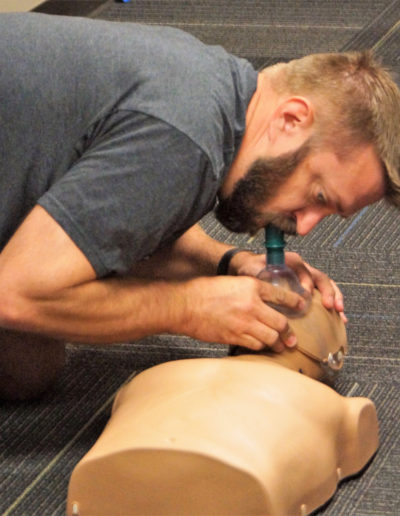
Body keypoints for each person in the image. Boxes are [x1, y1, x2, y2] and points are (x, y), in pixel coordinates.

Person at [0, 13, 399, 400]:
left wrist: (228, 264)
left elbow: (129, 220)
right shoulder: (185, 138)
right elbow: (13, 294)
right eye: (318, 196)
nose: (307, 226)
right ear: (291, 119)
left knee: (30, 366)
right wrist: (189, 307)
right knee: (29, 355)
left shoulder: (215, 89)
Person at [66, 291, 379, 516]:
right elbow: (360, 428)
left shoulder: (147, 377)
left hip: (104, 475)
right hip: (245, 482)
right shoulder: (333, 405)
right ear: (330, 357)